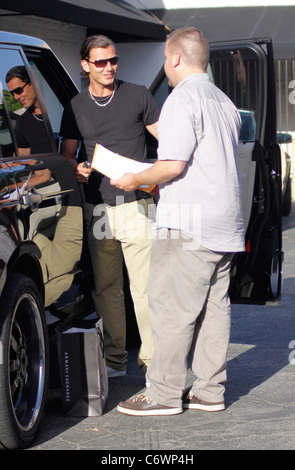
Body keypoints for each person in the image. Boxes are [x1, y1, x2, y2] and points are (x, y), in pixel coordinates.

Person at [112, 27, 245, 415]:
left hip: (188, 223)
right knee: (213, 309)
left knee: (171, 307)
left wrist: (135, 178)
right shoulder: (224, 101)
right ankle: (209, 390)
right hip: (226, 224)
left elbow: (173, 165)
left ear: (173, 58)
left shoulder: (180, 99)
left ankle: (163, 394)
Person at [60, 35, 160, 377]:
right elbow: (67, 155)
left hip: (138, 205)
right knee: (106, 289)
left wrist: (159, 176)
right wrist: (77, 169)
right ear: (85, 65)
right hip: (97, 208)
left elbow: (168, 139)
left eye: (113, 60)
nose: (109, 67)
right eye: (100, 62)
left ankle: (152, 363)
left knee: (145, 288)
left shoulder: (138, 94)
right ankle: (114, 360)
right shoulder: (75, 106)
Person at [6, 66, 52, 155]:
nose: (16, 97)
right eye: (12, 94)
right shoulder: (22, 122)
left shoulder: (61, 110)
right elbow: (21, 159)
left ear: (32, 83)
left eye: (18, 90)